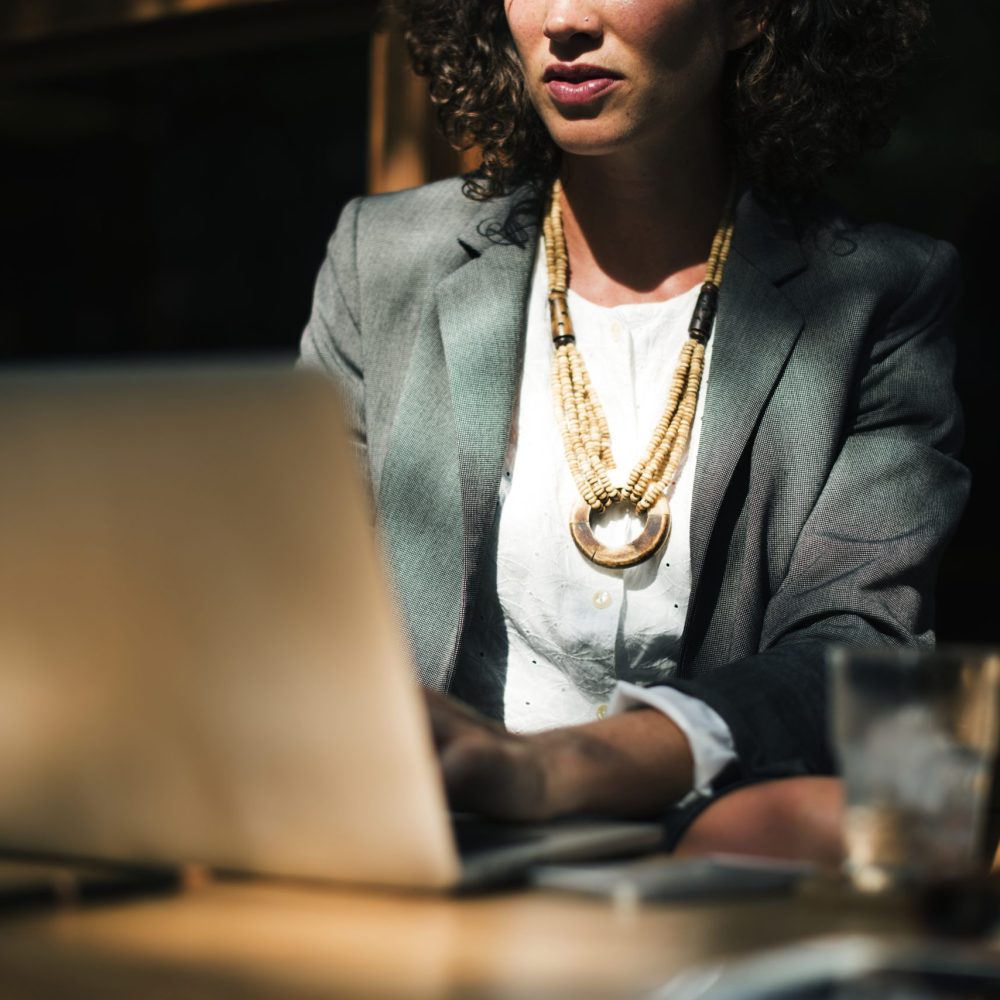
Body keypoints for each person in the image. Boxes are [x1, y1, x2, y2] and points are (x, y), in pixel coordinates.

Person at [300, 0, 967, 860]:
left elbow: (861, 648)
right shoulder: (382, 258)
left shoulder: (881, 294)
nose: (565, 19)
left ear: (750, 16)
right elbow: (303, 595)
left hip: (721, 870)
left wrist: (556, 768)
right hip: (420, 850)